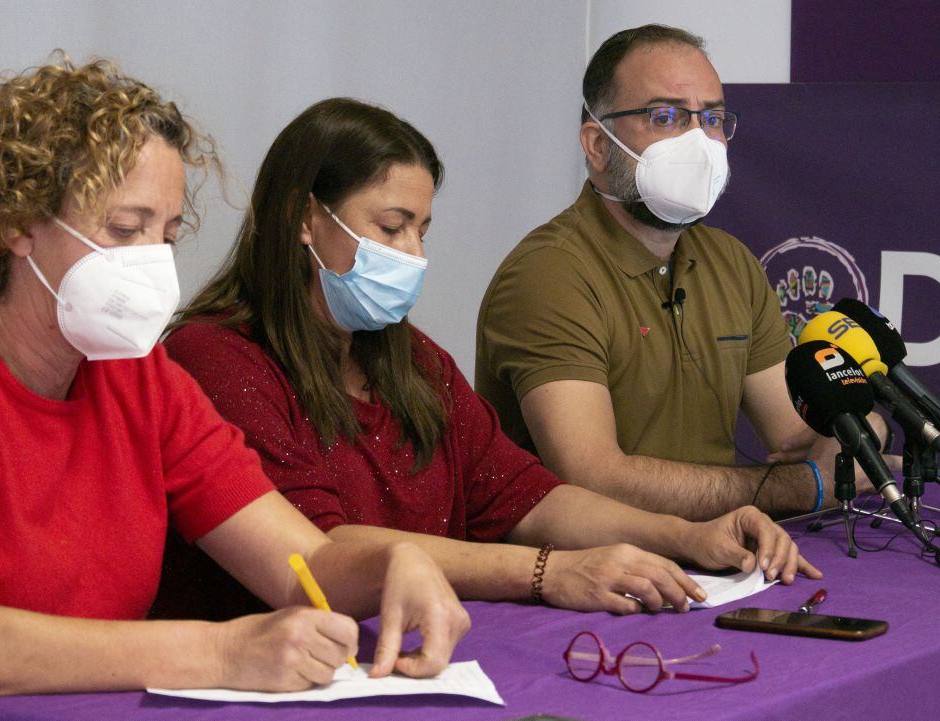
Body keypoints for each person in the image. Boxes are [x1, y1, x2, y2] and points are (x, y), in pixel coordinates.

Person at [0, 57, 470, 721]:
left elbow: (304, 563)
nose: (152, 260)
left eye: (167, 235)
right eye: (125, 229)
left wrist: (390, 562)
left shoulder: (141, 377)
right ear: (18, 225)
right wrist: (214, 652)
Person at [163, 97, 820, 626]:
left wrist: (686, 534)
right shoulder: (215, 357)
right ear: (303, 217)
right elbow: (319, 553)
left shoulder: (412, 358)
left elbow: (527, 496)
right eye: (392, 226)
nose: (414, 253)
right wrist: (547, 572)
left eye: (423, 229)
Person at [475, 24, 892, 522]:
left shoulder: (730, 262)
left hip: (718, 563)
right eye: (666, 116)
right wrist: (804, 488)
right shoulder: (547, 275)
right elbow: (591, 479)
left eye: (712, 118)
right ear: (597, 144)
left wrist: (861, 427)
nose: (699, 141)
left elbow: (797, 433)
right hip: (582, 579)